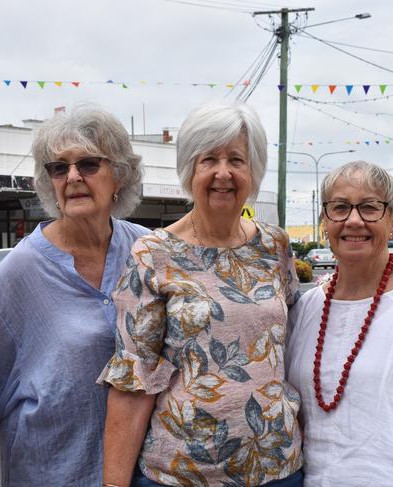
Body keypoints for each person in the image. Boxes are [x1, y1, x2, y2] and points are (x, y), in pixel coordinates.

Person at [99, 102, 303, 487]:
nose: (222, 173)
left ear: (253, 170)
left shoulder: (275, 246)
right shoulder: (154, 254)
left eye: (236, 160)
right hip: (180, 474)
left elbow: (286, 350)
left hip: (279, 470)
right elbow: (133, 381)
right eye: (208, 158)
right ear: (189, 169)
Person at [0, 104, 149, 486]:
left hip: (139, 473)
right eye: (59, 168)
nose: (72, 176)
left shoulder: (147, 251)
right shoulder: (18, 272)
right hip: (52, 470)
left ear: (119, 175)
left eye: (88, 164)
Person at [285, 161, 393, 486]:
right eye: (340, 207)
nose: (353, 220)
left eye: (369, 207)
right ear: (325, 220)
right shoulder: (306, 307)